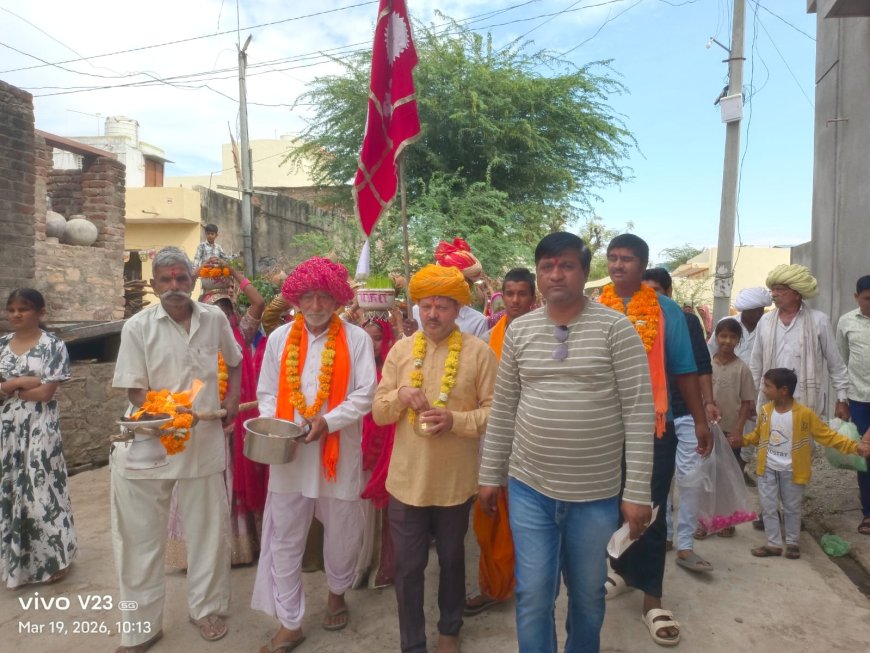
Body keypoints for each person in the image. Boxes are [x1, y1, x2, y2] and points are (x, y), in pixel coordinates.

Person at [479, 233, 653, 653]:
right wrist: (489, 474)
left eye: (567, 265)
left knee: (588, 594)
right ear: (539, 274)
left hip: (594, 494)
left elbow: (638, 411)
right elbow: (504, 407)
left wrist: (637, 492)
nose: (556, 274)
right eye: (547, 266)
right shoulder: (519, 331)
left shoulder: (616, 329)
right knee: (533, 594)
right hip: (529, 488)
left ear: (584, 271)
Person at [112, 247, 242, 652]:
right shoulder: (137, 326)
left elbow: (235, 361)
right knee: (139, 538)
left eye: (181, 278)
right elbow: (134, 388)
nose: (174, 286)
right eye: (166, 279)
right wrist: (168, 409)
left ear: (193, 281)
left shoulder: (214, 318)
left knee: (208, 532)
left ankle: (207, 610)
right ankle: (141, 628)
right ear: (154, 285)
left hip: (203, 441)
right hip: (150, 441)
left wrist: (232, 401)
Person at [251, 256, 377, 653]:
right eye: (308, 297)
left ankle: (337, 592)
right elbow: (267, 391)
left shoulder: (356, 339)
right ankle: (290, 621)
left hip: (337, 453)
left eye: (324, 297)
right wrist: (281, 426)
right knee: (285, 535)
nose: (317, 305)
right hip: (289, 453)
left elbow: (366, 394)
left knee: (342, 530)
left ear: (338, 300)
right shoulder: (279, 339)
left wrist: (329, 421)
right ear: (297, 300)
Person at [373, 264, 497, 653]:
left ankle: (449, 630)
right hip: (406, 481)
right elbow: (379, 411)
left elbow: (496, 412)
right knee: (408, 567)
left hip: (454, 483)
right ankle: (412, 644)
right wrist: (399, 396)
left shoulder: (478, 352)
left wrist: (455, 421)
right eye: (426, 305)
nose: (432, 314)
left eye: (442, 306)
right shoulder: (401, 350)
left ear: (458, 309)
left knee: (452, 558)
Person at [600, 234, 711, 647]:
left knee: (649, 507)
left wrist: (700, 420)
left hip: (654, 425)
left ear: (643, 265)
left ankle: (652, 597)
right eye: (612, 258)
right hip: (603, 427)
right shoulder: (594, 308)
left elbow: (684, 369)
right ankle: (621, 572)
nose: (617, 265)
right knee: (611, 502)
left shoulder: (666, 311)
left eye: (627, 259)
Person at [165, 267, 267, 567]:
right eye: (214, 310)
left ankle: (239, 548)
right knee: (199, 485)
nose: (220, 316)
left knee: (232, 481)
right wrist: (193, 275)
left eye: (226, 310)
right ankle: (199, 550)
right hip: (200, 420)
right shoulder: (192, 335)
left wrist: (235, 273)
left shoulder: (241, 333)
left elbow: (259, 303)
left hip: (233, 422)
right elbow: (175, 302)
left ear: (233, 314)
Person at [729, 368, 870, 559]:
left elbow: (828, 436)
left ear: (783, 390)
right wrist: (743, 441)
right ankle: (773, 544)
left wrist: (855, 447)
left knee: (792, 508)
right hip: (767, 468)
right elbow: (757, 435)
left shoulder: (804, 414)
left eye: (768, 386)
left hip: (792, 471)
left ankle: (792, 543)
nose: (763, 390)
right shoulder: (765, 411)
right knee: (768, 507)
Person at [466, 267, 536, 616]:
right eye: (509, 293)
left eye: (522, 294)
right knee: (491, 515)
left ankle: (528, 586)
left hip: (534, 442)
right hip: (495, 438)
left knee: (529, 520)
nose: (515, 300)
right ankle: (495, 585)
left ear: (533, 298)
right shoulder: (489, 337)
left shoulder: (546, 334)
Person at [641, 268, 720, 572]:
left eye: (658, 291)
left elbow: (701, 366)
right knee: (658, 481)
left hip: (686, 412)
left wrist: (707, 405)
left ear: (669, 293)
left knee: (690, 479)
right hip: (652, 414)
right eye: (646, 292)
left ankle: (685, 545)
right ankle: (663, 535)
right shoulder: (635, 320)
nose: (653, 298)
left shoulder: (686, 321)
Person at [0, 288, 76, 589]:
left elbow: (45, 393)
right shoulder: (2, 345)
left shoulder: (52, 345)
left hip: (41, 426)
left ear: (40, 312)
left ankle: (55, 559)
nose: (16, 314)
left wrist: (13, 385)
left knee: (42, 489)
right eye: (12, 309)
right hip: (7, 427)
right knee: (11, 487)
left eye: (24, 309)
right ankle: (18, 562)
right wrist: (26, 382)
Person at [750, 264, 850, 422]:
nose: (774, 294)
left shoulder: (819, 321)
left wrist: (842, 398)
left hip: (807, 403)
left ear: (797, 293)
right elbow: (756, 363)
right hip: (771, 403)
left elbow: (835, 364)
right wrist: (750, 397)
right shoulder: (765, 321)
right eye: (772, 290)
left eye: (780, 289)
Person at [355, 315, 399, 588]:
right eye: (366, 338)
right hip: (355, 443)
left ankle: (383, 565)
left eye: (378, 338)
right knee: (356, 507)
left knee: (386, 508)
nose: (372, 344)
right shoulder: (352, 368)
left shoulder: (393, 371)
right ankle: (358, 564)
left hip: (385, 445)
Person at [836, 275, 870, 535]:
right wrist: (842, 399)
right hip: (859, 399)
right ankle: (868, 512)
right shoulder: (846, 322)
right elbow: (842, 362)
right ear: (856, 297)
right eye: (867, 299)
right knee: (864, 455)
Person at [407, 238, 489, 338]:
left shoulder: (478, 321)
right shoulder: (417, 310)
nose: (432, 315)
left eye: (458, 283)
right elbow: (406, 344)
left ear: (469, 286)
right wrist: (410, 335)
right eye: (447, 281)